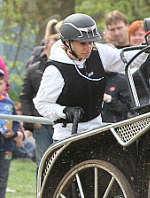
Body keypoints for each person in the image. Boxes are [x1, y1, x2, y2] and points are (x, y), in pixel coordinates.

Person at [33, 13, 136, 141]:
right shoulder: (55, 69)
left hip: (97, 129)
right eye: (82, 43)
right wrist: (64, 111)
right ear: (67, 43)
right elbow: (41, 104)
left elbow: (126, 58)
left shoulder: (98, 52)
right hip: (67, 136)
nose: (88, 48)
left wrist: (148, 49)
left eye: (91, 42)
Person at [20, 18, 60, 163]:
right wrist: (31, 122)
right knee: (43, 164)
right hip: (41, 124)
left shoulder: (69, 70)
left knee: (61, 163)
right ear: (45, 50)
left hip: (62, 124)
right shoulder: (33, 70)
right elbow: (25, 96)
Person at [0, 71, 22, 198]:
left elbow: (16, 121)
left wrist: (13, 133)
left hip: (7, 144)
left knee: (3, 171)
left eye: (1, 83)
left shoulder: (9, 103)